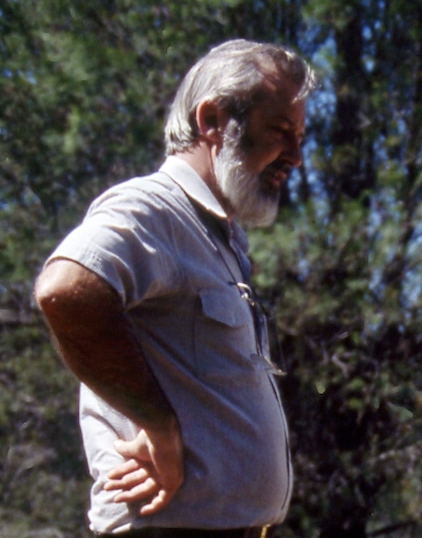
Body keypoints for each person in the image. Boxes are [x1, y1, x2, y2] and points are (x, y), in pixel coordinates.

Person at [34, 39, 316, 538]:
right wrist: (157, 427)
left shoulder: (220, 234)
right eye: (280, 131)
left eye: (300, 136)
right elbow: (67, 290)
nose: (296, 156)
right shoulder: (153, 208)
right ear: (211, 121)